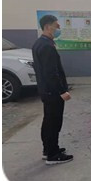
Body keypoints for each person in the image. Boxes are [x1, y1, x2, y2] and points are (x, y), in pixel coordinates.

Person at [32, 15, 73, 165]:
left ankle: (48, 149)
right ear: (48, 27)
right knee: (54, 122)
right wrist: (62, 91)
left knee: (48, 121)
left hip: (46, 90)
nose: (58, 28)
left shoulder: (39, 43)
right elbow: (51, 72)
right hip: (52, 92)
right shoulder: (47, 47)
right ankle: (53, 155)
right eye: (56, 25)